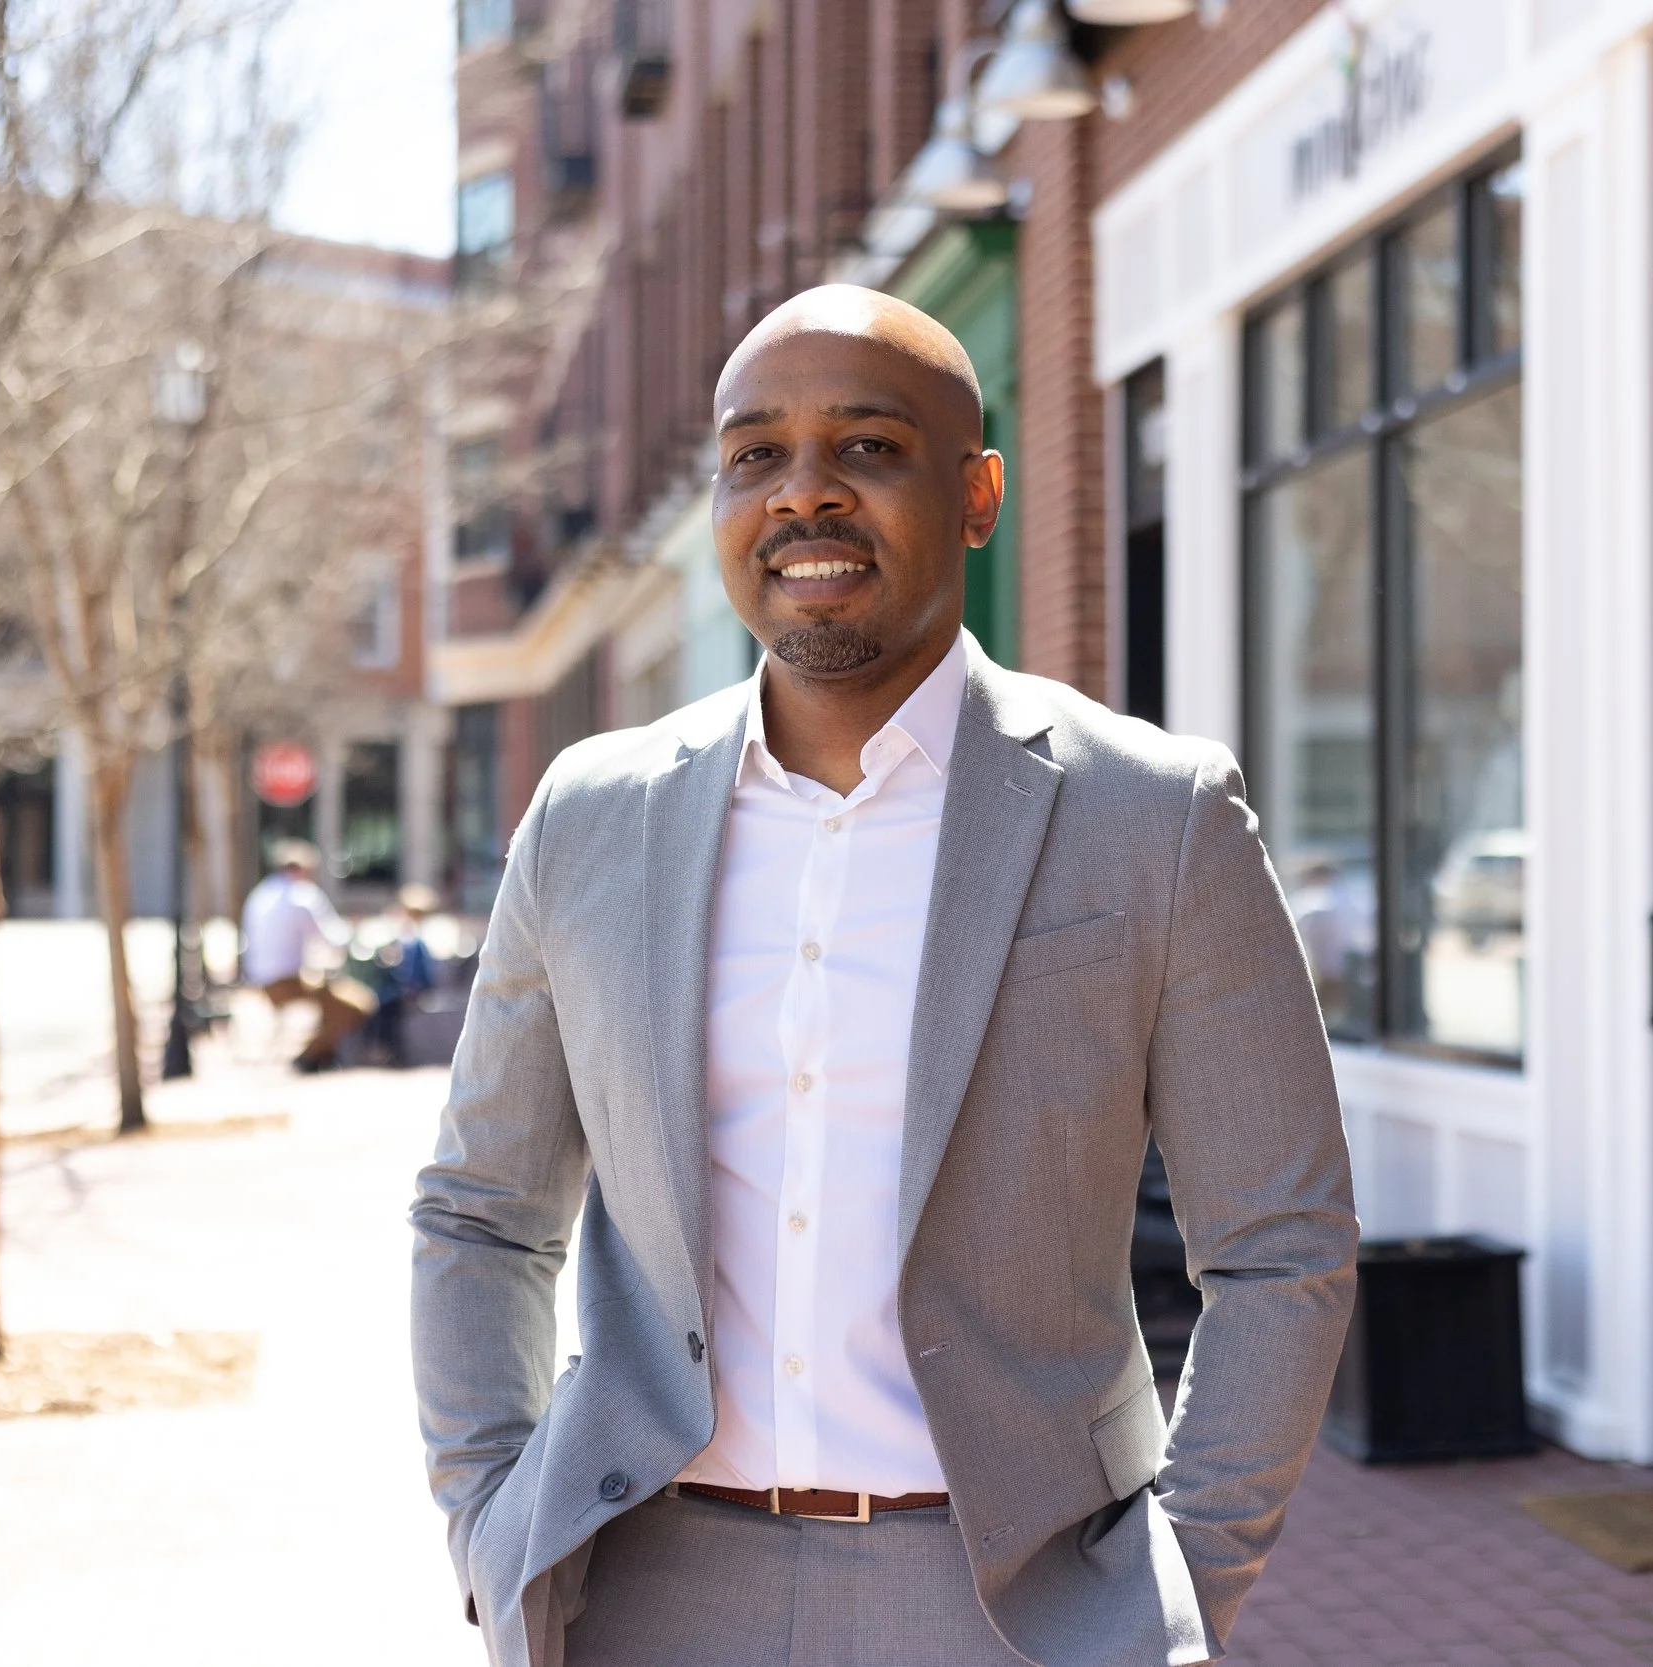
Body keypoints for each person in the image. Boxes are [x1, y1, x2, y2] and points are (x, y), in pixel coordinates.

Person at [411, 286, 1358, 1667]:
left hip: (1012, 1601)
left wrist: (1176, 1580)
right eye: (755, 456)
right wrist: (491, 1516)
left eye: (867, 447)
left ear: (978, 495)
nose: (805, 496)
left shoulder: (1156, 816)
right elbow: (483, 1210)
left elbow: (1283, 1243)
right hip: (647, 1588)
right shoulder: (590, 812)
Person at [239, 841, 373, 1074]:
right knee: (358, 1003)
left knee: (330, 996)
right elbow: (332, 938)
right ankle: (310, 1055)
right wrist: (356, 930)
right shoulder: (302, 895)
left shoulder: (260, 893)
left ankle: (321, 1055)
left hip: (259, 980)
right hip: (286, 981)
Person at [364, 883, 443, 1068]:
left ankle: (387, 1049)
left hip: (413, 990)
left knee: (387, 1006)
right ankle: (385, 1048)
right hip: (404, 988)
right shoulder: (405, 936)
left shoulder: (416, 940)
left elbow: (420, 972)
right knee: (381, 1003)